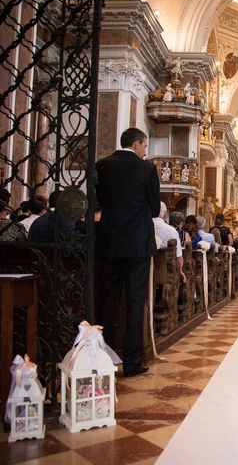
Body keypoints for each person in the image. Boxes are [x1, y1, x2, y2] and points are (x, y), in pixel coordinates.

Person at [96, 127, 160, 378]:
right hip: (137, 243)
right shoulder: (146, 169)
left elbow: (100, 200)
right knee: (135, 301)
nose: (145, 151)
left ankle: (102, 358)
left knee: (107, 300)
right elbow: (154, 209)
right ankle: (133, 362)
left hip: (109, 241)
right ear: (136, 144)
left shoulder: (102, 166)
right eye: (144, 146)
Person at [153, 202, 186, 283]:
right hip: (166, 274)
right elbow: (178, 256)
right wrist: (180, 271)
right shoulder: (171, 230)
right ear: (165, 214)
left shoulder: (142, 227)